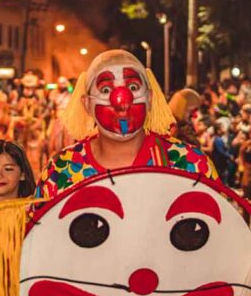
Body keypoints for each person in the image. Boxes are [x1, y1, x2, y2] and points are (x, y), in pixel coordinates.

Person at [36, 49, 219, 199]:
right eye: (106, 90)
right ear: (87, 104)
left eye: (133, 87)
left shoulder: (189, 164)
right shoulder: (61, 171)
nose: (122, 102)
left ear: (149, 98)